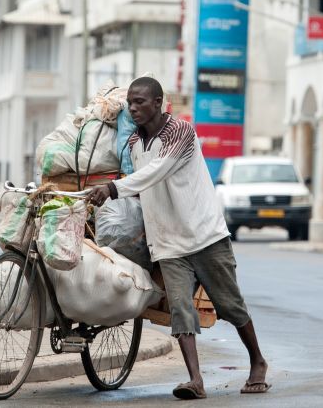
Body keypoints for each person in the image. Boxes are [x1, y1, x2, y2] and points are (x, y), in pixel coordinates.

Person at [86, 77, 269, 400]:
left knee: (230, 306)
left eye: (140, 102)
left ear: (158, 102)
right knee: (181, 311)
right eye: (130, 103)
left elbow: (158, 171)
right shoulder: (133, 144)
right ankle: (195, 380)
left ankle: (257, 361)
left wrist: (113, 189)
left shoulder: (181, 132)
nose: (133, 108)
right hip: (168, 244)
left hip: (205, 236)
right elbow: (142, 184)